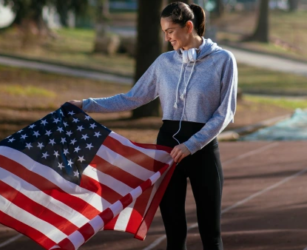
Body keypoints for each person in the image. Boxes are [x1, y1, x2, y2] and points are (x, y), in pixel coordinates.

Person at [69, 2, 238, 249]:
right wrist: (86, 105)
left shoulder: (223, 60)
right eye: (164, 32)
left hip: (202, 151)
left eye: (170, 31)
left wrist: (191, 145)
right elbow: (131, 98)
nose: (167, 37)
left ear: (188, 26)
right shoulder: (164, 63)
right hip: (166, 152)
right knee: (174, 233)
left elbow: (225, 114)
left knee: (211, 234)